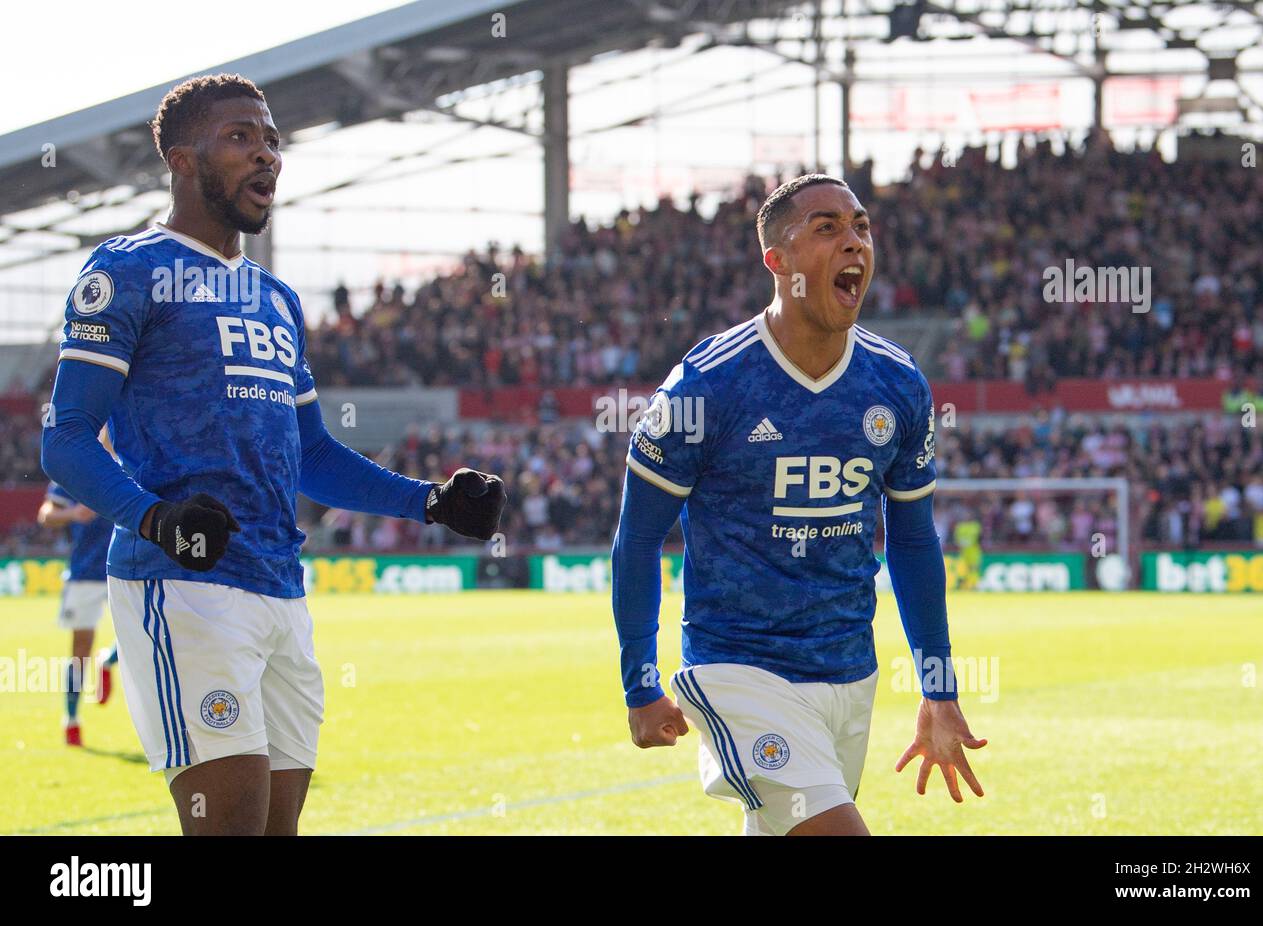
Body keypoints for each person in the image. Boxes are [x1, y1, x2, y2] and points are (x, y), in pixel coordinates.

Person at [42, 73, 506, 835]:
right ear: (183, 161)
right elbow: (63, 441)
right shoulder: (125, 272)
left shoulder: (277, 299)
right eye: (240, 138)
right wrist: (155, 519)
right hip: (183, 586)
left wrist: (429, 502)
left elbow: (313, 455)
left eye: (272, 141)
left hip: (281, 590)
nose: (266, 156)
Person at [611, 174, 985, 836]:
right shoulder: (705, 387)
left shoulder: (896, 384)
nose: (854, 243)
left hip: (848, 671)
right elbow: (638, 538)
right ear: (777, 261)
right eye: (827, 228)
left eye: (862, 227)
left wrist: (939, 686)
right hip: (739, 667)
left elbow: (914, 542)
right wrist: (640, 682)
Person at [37, 475, 117, 746]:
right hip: (84, 572)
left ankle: (108, 661)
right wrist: (74, 513)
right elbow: (46, 514)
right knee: (80, 650)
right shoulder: (77, 466)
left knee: (144, 632)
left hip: (124, 569)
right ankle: (71, 719)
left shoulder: (132, 457)